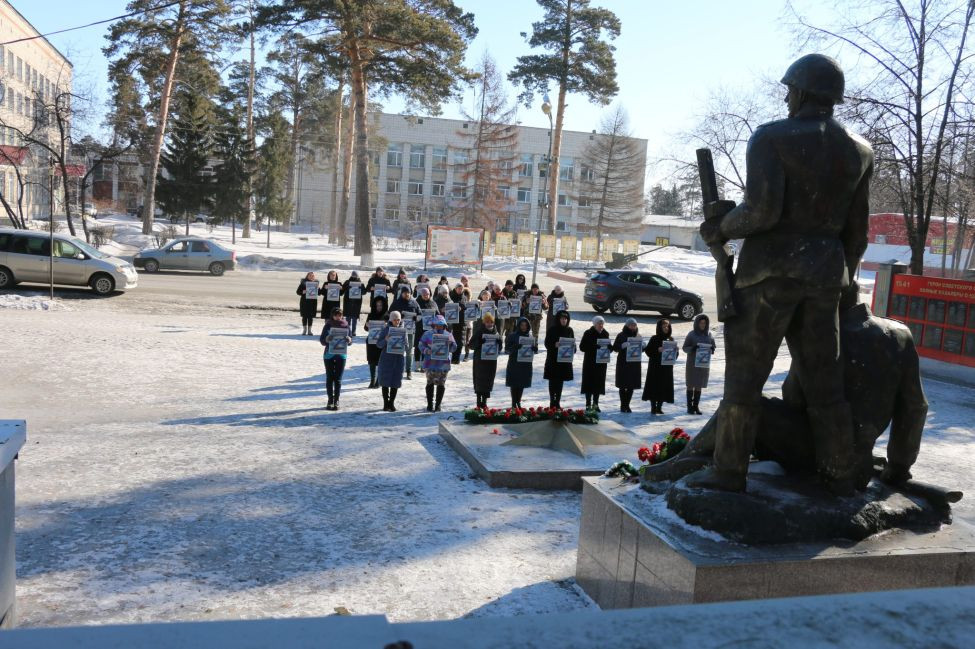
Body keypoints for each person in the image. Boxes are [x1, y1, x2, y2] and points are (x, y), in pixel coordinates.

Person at [693, 54, 873, 494]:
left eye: (790, 88)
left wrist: (722, 226)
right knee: (824, 383)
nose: (786, 96)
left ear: (803, 91)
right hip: (825, 278)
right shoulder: (860, 150)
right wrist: (842, 278)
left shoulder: (771, 137)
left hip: (768, 276)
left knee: (745, 379)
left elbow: (763, 210)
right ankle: (837, 471)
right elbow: (857, 234)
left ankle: (728, 471)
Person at [418, 315, 458, 412]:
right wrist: (426, 350)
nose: (439, 327)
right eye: (437, 325)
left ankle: (438, 405)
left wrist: (451, 344)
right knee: (430, 383)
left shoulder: (448, 335)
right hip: (430, 363)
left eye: (441, 325)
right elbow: (420, 345)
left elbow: (454, 348)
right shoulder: (427, 334)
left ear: (444, 325)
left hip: (443, 364)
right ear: (433, 325)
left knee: (441, 384)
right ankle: (430, 404)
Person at [682, 314, 716, 416]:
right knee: (691, 384)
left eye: (704, 323)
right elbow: (684, 347)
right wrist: (693, 348)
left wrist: (712, 349)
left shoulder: (709, 334)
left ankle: (696, 406)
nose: (703, 325)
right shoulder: (691, 334)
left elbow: (713, 345)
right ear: (697, 323)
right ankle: (689, 407)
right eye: (701, 323)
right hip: (692, 363)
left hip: (703, 364)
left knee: (699, 385)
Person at [319, 307, 352, 410]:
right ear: (332, 316)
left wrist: (349, 340)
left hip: (341, 355)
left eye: (340, 315)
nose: (338, 317)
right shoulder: (328, 325)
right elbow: (322, 340)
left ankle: (336, 400)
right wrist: (327, 339)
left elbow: (350, 340)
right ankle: (330, 400)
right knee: (329, 378)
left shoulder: (346, 325)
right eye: (336, 315)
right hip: (329, 354)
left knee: (338, 379)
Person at [643, 319, 676, 414]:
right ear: (659, 327)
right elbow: (648, 351)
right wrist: (657, 350)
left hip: (666, 368)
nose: (666, 328)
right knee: (654, 386)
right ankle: (653, 406)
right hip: (655, 367)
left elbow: (675, 357)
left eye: (667, 326)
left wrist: (675, 351)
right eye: (664, 326)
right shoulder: (654, 338)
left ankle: (659, 406)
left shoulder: (671, 339)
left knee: (664, 386)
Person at [544, 310, 576, 409]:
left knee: (560, 382)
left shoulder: (569, 330)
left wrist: (573, 347)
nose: (564, 320)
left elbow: (573, 347)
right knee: (553, 381)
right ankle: (552, 401)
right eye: (562, 318)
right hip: (553, 360)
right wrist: (554, 344)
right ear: (558, 319)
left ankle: (557, 401)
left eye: (566, 319)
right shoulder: (552, 329)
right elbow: (546, 343)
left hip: (564, 361)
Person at [376, 311, 406, 411]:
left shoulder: (403, 330)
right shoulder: (385, 330)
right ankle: (385, 404)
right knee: (385, 381)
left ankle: (391, 403)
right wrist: (386, 340)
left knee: (395, 381)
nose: (397, 321)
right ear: (390, 320)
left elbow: (408, 346)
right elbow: (378, 344)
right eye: (394, 319)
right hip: (386, 359)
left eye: (398, 319)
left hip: (398, 359)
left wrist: (404, 343)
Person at [579, 315, 610, 411]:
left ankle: (595, 404)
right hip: (590, 363)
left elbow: (609, 346)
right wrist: (593, 347)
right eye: (599, 323)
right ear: (594, 324)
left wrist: (610, 348)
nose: (601, 325)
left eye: (602, 323)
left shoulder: (605, 333)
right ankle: (588, 404)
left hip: (601, 363)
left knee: (598, 383)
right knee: (589, 383)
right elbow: (582, 347)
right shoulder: (588, 333)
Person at [389, 285, 420, 380]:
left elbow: (420, 315)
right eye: (405, 292)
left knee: (409, 351)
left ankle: (409, 371)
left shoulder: (414, 303)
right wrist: (398, 317)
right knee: (399, 351)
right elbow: (389, 314)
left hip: (410, 332)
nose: (407, 294)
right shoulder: (396, 303)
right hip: (398, 331)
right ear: (402, 293)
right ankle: (398, 369)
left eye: (408, 292)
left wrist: (416, 318)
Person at [505, 317, 537, 409]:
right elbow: (507, 349)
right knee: (514, 384)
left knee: (522, 383)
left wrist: (535, 349)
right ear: (518, 325)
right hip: (514, 363)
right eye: (522, 325)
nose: (523, 327)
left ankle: (518, 401)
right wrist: (515, 347)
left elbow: (534, 348)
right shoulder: (512, 335)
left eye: (525, 325)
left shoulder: (530, 337)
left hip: (525, 364)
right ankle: (513, 403)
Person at [613, 318, 643, 413]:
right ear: (627, 325)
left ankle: (627, 405)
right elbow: (615, 348)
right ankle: (623, 405)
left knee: (631, 385)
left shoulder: (638, 336)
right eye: (631, 325)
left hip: (634, 364)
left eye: (634, 325)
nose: (633, 327)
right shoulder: (621, 335)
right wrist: (622, 345)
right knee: (622, 385)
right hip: (623, 363)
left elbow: (640, 351)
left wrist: (644, 347)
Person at [470, 312, 500, 408]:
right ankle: (479, 402)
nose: (489, 324)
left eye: (491, 322)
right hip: (480, 361)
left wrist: (499, 343)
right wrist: (479, 342)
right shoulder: (479, 331)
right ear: (484, 323)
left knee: (488, 380)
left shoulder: (496, 333)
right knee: (479, 380)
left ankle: (485, 402)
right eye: (487, 322)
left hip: (491, 361)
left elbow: (499, 348)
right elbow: (471, 345)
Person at [364, 295, 389, 388]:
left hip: (381, 342)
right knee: (371, 361)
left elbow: (391, 329)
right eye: (377, 305)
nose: (379, 307)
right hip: (371, 342)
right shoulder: (370, 315)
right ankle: (372, 380)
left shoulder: (387, 316)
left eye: (381, 305)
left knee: (380, 361)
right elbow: (366, 329)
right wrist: (367, 325)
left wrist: (387, 326)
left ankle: (379, 380)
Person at [414, 286, 437, 373]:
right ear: (421, 295)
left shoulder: (433, 303)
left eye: (427, 294)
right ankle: (417, 364)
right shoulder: (416, 302)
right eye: (424, 294)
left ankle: (424, 364)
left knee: (427, 346)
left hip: (429, 330)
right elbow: (413, 313)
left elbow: (437, 314)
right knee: (417, 345)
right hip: (419, 327)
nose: (426, 296)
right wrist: (417, 317)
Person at [449, 283, 467, 364]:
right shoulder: (451, 296)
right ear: (455, 288)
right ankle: (452, 357)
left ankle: (457, 358)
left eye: (461, 288)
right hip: (452, 322)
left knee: (460, 341)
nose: (460, 290)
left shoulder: (464, 297)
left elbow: (467, 307)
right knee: (453, 340)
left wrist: (463, 308)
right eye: (458, 288)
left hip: (462, 321)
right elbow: (448, 306)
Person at [296, 271, 319, 335]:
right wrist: (303, 292)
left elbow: (319, 293)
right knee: (304, 316)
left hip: (313, 302)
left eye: (313, 276)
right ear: (307, 276)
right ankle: (304, 330)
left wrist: (318, 289)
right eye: (310, 275)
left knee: (310, 316)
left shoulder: (316, 283)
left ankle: (309, 330)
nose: (311, 277)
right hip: (304, 302)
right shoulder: (303, 283)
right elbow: (298, 292)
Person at [342, 270, 364, 336]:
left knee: (354, 318)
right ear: (351, 275)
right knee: (348, 318)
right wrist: (347, 287)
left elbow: (364, 292)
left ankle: (353, 331)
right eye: (353, 275)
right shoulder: (347, 282)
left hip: (356, 303)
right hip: (348, 302)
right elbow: (342, 290)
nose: (354, 276)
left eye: (356, 275)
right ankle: (348, 330)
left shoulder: (360, 283)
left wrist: (361, 288)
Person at [460, 274, 474, 360]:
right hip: (461, 322)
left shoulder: (471, 303)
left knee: (468, 339)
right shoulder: (461, 302)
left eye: (467, 294)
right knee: (462, 339)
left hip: (468, 324)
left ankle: (466, 354)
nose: (466, 296)